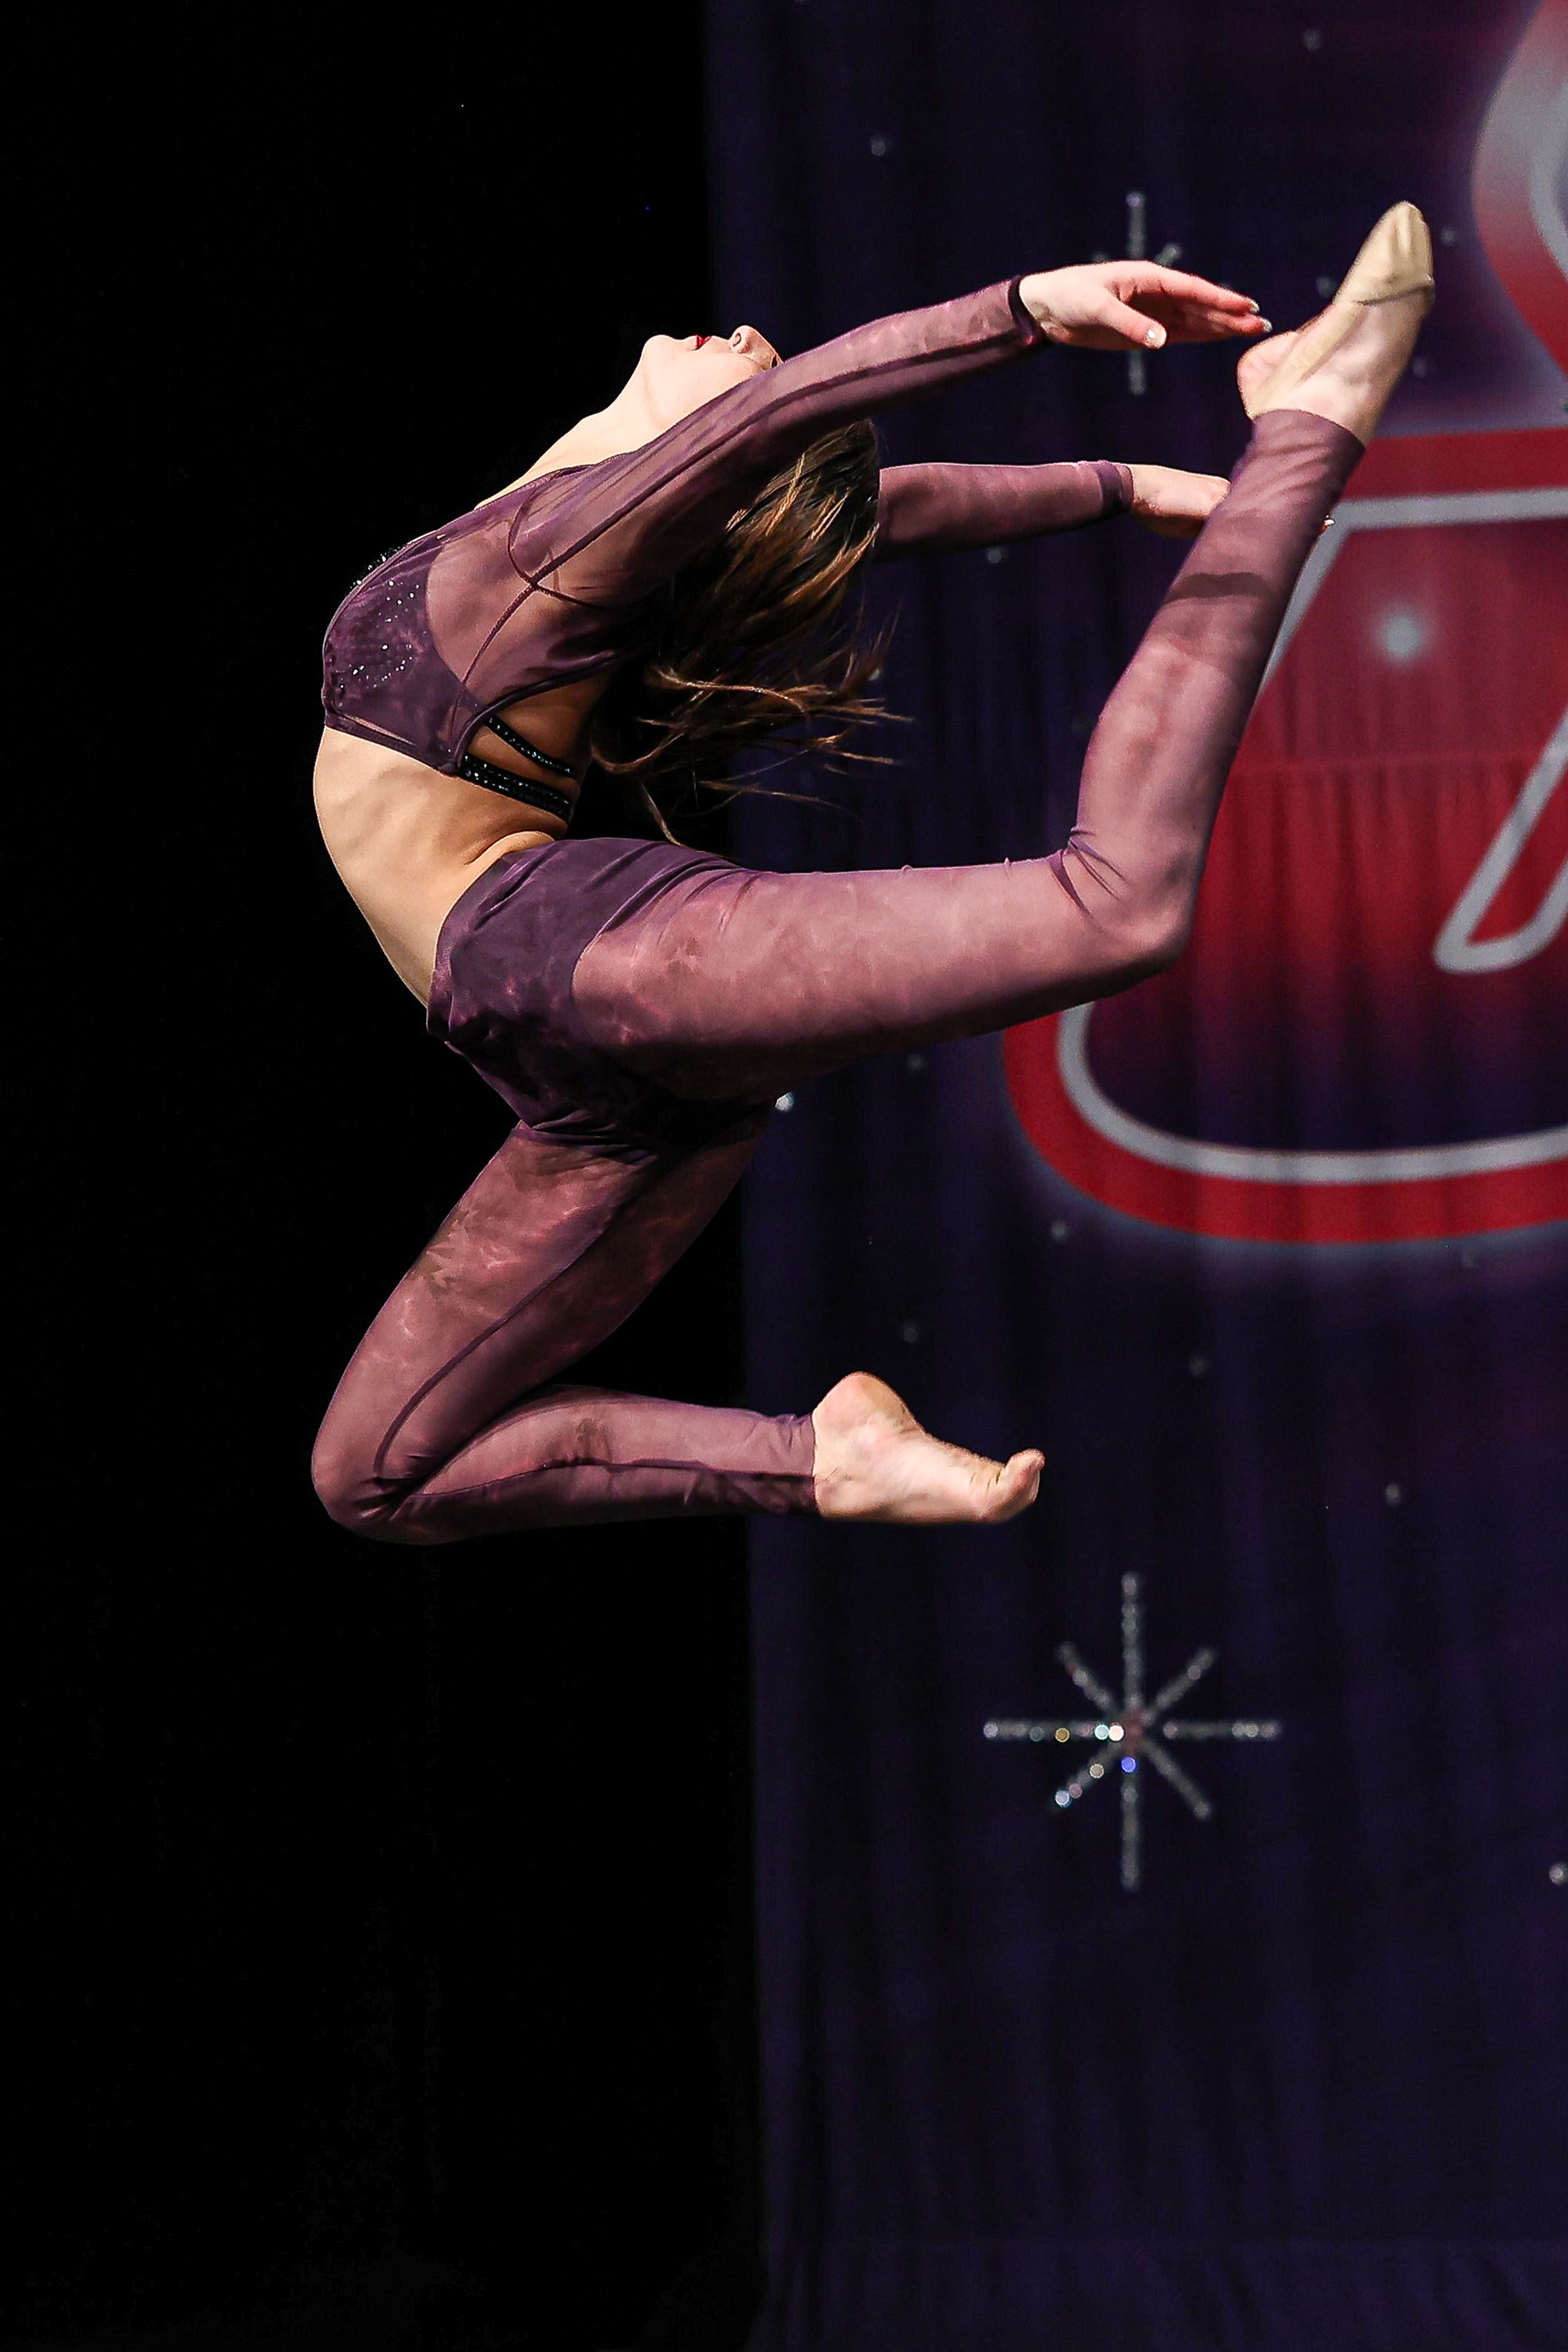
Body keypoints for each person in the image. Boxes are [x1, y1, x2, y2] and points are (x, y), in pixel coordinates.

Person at [310, 207, 1434, 1543]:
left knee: (1118, 906)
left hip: (565, 957)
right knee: (373, 1475)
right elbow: (878, 500)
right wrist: (1121, 482)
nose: (746, 333)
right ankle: (824, 1459)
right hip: (566, 1058)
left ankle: (1310, 423)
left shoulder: (546, 553)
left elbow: (785, 422)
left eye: (761, 364)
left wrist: (1022, 310)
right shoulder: (577, 537)